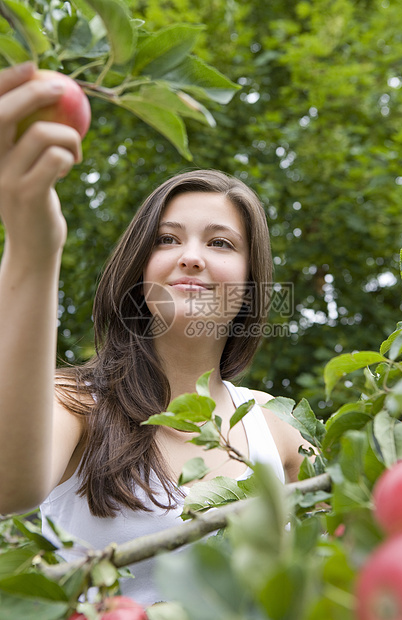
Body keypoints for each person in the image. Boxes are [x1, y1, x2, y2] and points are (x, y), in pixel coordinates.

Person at [0, 63, 310, 606]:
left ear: (251, 285)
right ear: (140, 273)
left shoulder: (277, 432)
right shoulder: (75, 404)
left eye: (221, 243)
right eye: (168, 240)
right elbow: (8, 482)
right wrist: (34, 244)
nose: (191, 257)